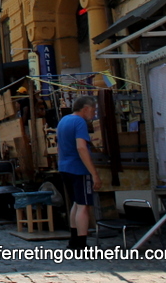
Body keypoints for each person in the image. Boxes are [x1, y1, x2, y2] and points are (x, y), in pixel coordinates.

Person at [58, 95, 102, 252]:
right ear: (86, 109)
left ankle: (74, 240)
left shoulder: (63, 120)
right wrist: (94, 173)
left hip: (64, 167)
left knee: (76, 204)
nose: (94, 114)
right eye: (93, 110)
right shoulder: (79, 122)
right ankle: (82, 244)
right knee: (83, 206)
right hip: (78, 169)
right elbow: (81, 147)